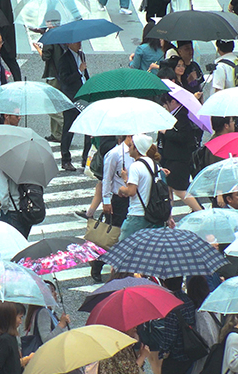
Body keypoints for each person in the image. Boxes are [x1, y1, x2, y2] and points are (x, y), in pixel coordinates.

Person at [156, 277, 206, 374]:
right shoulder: (187, 300)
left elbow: (170, 335)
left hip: (175, 356)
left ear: (165, 284)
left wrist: (163, 351)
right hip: (188, 352)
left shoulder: (170, 304)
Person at [91, 136, 133, 281]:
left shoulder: (139, 154)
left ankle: (124, 269)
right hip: (118, 200)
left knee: (127, 236)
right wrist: (106, 201)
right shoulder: (115, 154)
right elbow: (107, 179)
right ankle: (98, 263)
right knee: (111, 235)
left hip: (133, 200)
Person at [185, 277, 221, 374]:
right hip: (214, 354)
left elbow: (208, 338)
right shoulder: (212, 306)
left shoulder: (200, 313)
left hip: (205, 356)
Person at [158, 93, 203, 212]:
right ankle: (167, 215)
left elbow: (184, 137)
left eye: (165, 103)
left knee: (179, 189)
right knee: (168, 188)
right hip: (170, 158)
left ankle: (199, 211)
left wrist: (166, 132)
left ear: (173, 102)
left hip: (179, 159)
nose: (164, 106)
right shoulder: (174, 115)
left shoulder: (182, 117)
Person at [117, 134, 165, 241]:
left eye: (131, 145)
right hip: (153, 214)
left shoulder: (136, 166)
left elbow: (131, 191)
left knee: (123, 247)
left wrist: (121, 189)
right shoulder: (154, 164)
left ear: (137, 148)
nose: (129, 147)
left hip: (137, 215)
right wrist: (126, 179)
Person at [58, 41, 91, 171]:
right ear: (69, 43)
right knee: (69, 128)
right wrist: (79, 71)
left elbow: (85, 75)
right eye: (77, 42)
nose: (79, 44)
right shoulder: (64, 59)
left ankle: (86, 158)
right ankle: (65, 159)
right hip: (71, 96)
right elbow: (64, 80)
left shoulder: (81, 55)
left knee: (88, 127)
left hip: (84, 94)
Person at [34, 16, 64, 142]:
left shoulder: (49, 37)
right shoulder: (63, 35)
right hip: (62, 74)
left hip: (53, 74)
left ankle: (64, 125)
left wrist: (38, 48)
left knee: (50, 105)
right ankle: (56, 134)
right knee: (57, 103)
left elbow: (46, 57)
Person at [0, 0, 22, 82]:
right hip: (2, 33)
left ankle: (16, 82)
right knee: (8, 61)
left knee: (9, 60)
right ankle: (14, 81)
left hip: (2, 34)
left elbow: (3, 16)